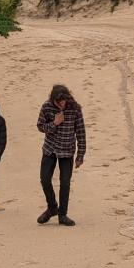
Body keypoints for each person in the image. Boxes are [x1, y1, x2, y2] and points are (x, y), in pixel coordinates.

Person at [36, 85, 86, 226]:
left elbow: (81, 132)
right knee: (44, 179)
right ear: (53, 100)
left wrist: (80, 155)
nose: (62, 104)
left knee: (65, 183)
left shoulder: (75, 108)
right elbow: (40, 126)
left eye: (64, 101)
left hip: (67, 149)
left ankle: (62, 214)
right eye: (59, 102)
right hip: (50, 149)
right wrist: (54, 124)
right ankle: (52, 208)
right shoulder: (46, 107)